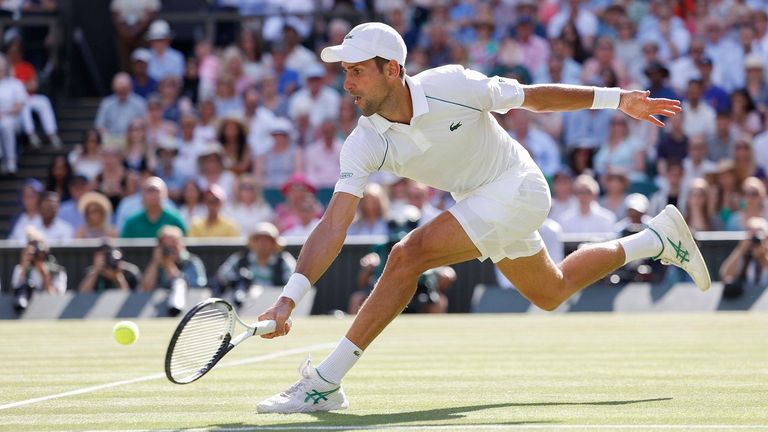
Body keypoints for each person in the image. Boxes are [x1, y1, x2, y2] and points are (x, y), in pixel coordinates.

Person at [255, 22, 710, 414]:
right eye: (344, 73)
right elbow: (334, 224)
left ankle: (325, 382)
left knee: (406, 255)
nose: (347, 84)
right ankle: (655, 239)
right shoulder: (363, 142)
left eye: (356, 72)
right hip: (480, 202)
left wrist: (618, 100)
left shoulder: (452, 84)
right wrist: (288, 300)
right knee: (550, 291)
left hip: (520, 186)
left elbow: (531, 98)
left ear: (392, 70)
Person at [216, 222, 296, 307]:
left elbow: (293, 281)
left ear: (273, 243)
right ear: (254, 242)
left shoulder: (284, 260)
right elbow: (222, 275)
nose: (263, 243)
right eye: (259, 240)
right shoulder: (240, 259)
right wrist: (239, 280)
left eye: (267, 240)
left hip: (276, 305)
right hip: (244, 307)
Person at [141, 225, 206, 316]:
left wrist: (170, 267)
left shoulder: (192, 261)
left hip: (187, 312)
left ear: (182, 245)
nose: (170, 250)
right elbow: (145, 289)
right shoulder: (156, 262)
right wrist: (155, 263)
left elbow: (198, 288)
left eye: (174, 245)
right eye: (166, 246)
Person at [11, 230, 67, 312]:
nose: (36, 255)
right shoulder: (20, 269)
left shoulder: (57, 272)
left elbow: (57, 298)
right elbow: (15, 290)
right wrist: (24, 267)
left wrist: (45, 275)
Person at [121, 176, 186, 238]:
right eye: (150, 191)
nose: (154, 195)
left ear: (165, 194)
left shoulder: (175, 220)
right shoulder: (132, 222)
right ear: (142, 195)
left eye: (157, 191)